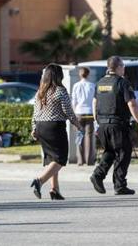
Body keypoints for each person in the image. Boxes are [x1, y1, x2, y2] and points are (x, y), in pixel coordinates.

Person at [89, 56, 138, 195]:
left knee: (110, 151)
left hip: (103, 125)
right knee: (123, 152)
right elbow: (131, 104)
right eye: (123, 66)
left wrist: (97, 120)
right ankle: (119, 185)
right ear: (119, 67)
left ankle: (98, 175)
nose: (124, 68)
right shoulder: (122, 83)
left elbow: (94, 103)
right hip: (117, 125)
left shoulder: (100, 82)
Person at [30, 64, 82, 200]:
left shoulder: (40, 92)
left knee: (51, 159)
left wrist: (34, 128)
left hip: (41, 127)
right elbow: (68, 112)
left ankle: (55, 190)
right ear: (59, 76)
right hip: (55, 127)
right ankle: (39, 181)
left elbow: (35, 113)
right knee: (60, 158)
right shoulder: (60, 91)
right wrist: (78, 125)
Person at [71, 67, 96, 166]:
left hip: (79, 113)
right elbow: (95, 101)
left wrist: (73, 116)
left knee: (79, 135)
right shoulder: (92, 85)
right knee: (89, 137)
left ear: (79, 75)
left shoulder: (76, 86)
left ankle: (80, 160)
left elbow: (74, 101)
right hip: (90, 113)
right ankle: (89, 160)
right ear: (88, 74)